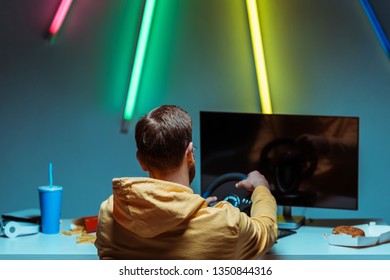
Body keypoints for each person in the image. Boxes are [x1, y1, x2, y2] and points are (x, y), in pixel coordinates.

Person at [94, 105, 278, 259]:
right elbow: (266, 230)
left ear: (140, 160)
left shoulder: (110, 212)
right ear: (190, 153)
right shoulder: (224, 223)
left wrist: (191, 210)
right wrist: (261, 188)